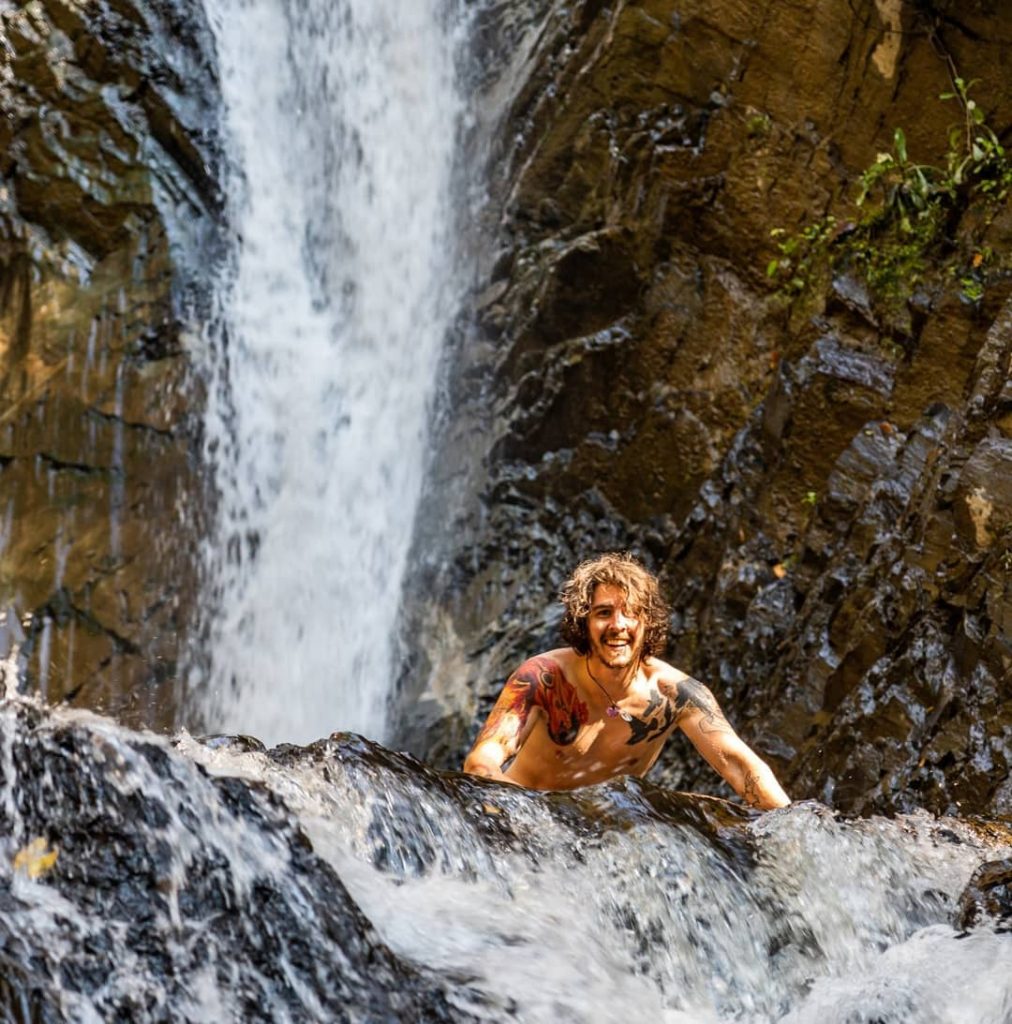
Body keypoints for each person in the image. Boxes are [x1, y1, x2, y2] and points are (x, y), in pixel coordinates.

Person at [463, 552, 790, 810]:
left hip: (598, 842)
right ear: (583, 622)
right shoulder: (543, 678)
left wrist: (790, 826)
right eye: (604, 613)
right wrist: (525, 815)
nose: (618, 625)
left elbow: (739, 766)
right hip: (521, 819)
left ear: (648, 623)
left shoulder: (676, 694)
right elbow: (482, 762)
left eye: (631, 613)